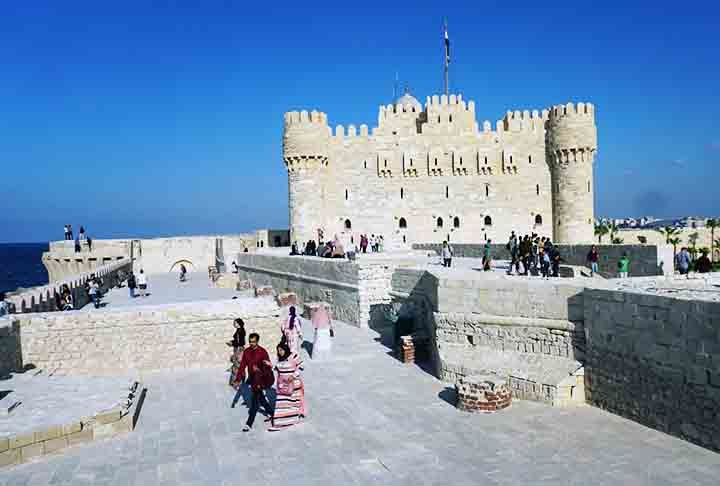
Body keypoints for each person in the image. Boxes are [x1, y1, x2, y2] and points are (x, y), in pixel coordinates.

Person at [232, 333, 273, 432]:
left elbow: (268, 367)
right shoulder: (246, 352)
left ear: (257, 341)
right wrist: (237, 379)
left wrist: (259, 368)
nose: (251, 343)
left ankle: (249, 423)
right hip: (253, 379)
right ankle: (273, 414)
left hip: (260, 379)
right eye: (250, 341)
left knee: (254, 403)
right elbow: (242, 367)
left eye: (254, 342)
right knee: (261, 399)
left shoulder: (262, 352)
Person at [268, 342, 304, 431]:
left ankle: (292, 420)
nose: (280, 352)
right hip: (282, 386)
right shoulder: (279, 359)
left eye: (281, 350)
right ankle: (279, 423)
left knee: (292, 404)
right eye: (278, 350)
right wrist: (269, 365)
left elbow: (301, 366)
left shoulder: (293, 356)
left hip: (293, 386)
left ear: (285, 349)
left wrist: (293, 376)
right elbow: (276, 368)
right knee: (281, 404)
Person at [228, 318, 246, 386]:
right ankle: (241, 380)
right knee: (239, 365)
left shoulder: (240, 331)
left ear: (239, 323)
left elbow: (240, 342)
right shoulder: (239, 330)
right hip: (238, 349)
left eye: (235, 323)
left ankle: (236, 382)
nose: (234, 324)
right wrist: (232, 342)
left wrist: (232, 343)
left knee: (237, 365)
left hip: (239, 350)